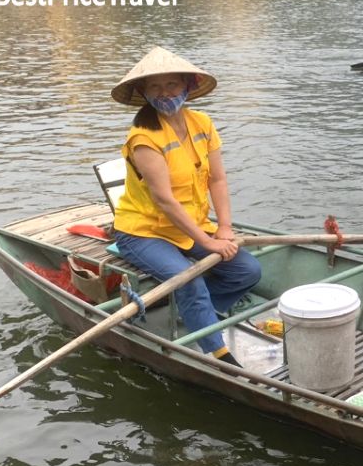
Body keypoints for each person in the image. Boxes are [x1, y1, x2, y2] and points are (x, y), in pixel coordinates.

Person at [110, 47, 261, 368]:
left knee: (247, 271)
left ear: (188, 86)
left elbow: (217, 180)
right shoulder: (143, 138)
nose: (165, 94)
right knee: (188, 279)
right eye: (155, 87)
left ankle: (194, 311)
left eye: (172, 85)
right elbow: (164, 200)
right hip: (144, 232)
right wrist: (208, 243)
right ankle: (217, 353)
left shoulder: (202, 123)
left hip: (190, 225)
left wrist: (224, 228)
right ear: (144, 93)